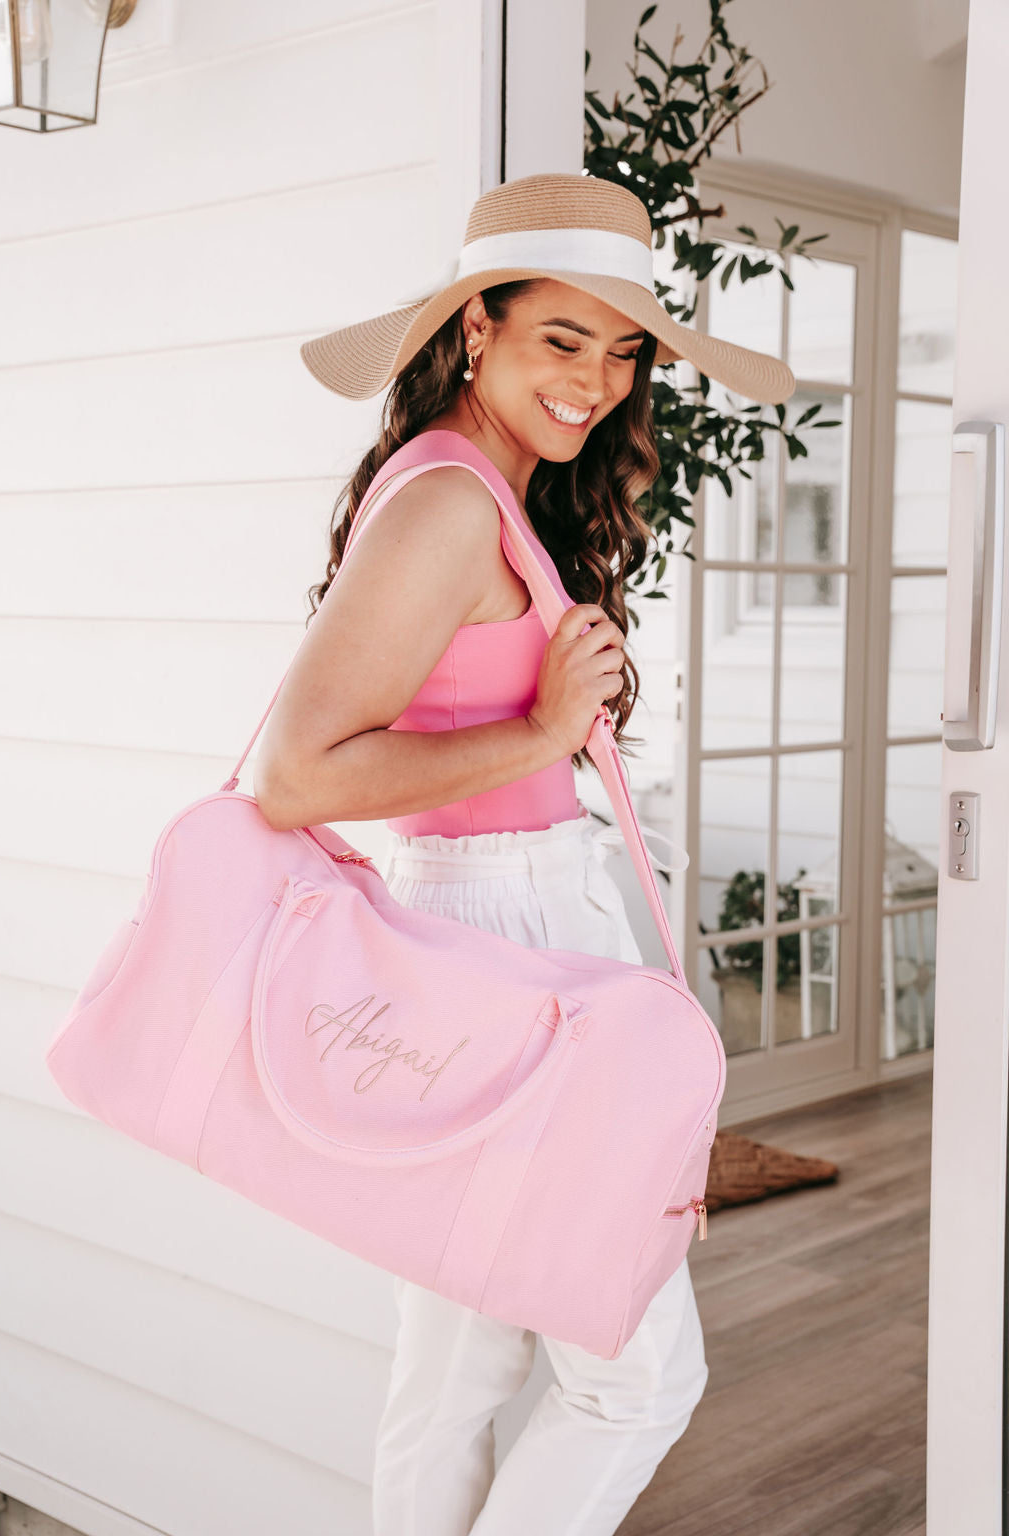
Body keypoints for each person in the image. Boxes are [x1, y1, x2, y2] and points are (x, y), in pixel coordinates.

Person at [254, 173, 794, 1536]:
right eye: (564, 338)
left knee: (458, 1367)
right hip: (505, 939)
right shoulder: (444, 504)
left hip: (500, 931)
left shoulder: (473, 487)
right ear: (476, 328)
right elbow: (294, 775)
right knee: (637, 1377)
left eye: (624, 353)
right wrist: (548, 725)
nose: (600, 382)